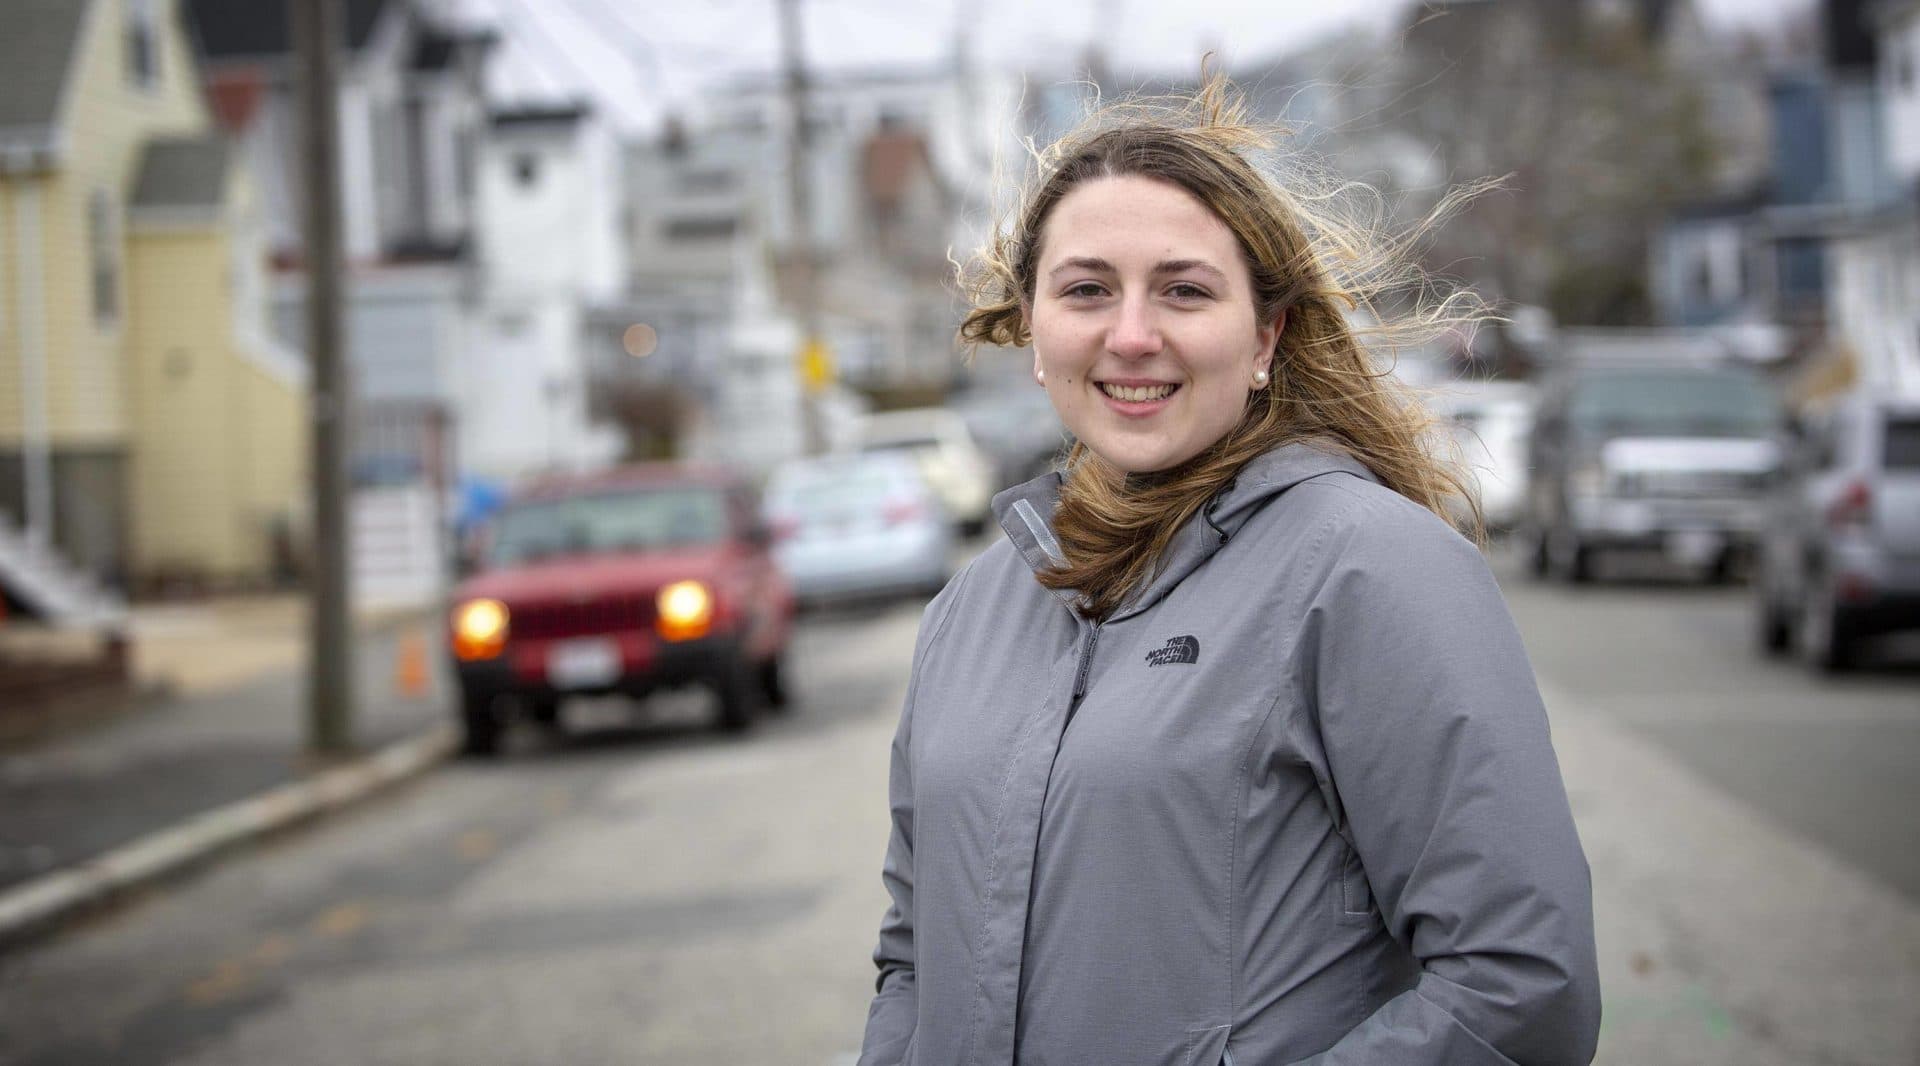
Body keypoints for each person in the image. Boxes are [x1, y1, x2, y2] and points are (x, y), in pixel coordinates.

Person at [857, 77, 1600, 1066]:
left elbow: (1519, 985)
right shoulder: (971, 610)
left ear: (1264, 336)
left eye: (1184, 289)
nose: (1131, 333)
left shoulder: (1369, 569)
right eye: (1086, 289)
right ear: (1034, 329)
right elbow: (913, 960)